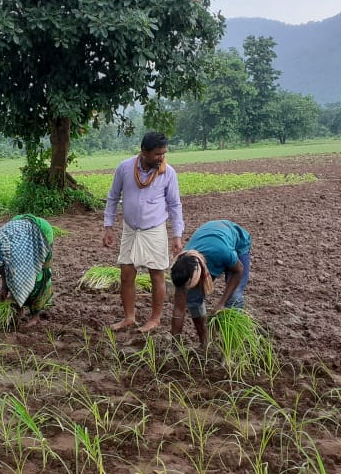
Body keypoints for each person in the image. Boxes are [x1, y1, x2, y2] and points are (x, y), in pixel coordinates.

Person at [102, 130, 184, 333]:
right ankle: (129, 317)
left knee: (157, 275)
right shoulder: (125, 168)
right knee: (126, 274)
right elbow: (113, 197)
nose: (162, 157)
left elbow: (175, 205)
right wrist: (108, 226)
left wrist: (177, 235)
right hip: (130, 229)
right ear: (144, 152)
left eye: (163, 153)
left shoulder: (168, 173)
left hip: (154, 229)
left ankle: (155, 319)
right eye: (157, 154)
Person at [169, 220, 252, 347]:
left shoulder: (221, 252)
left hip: (236, 244)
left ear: (201, 273)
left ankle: (232, 347)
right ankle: (205, 343)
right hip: (212, 240)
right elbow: (179, 310)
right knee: (193, 299)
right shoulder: (182, 269)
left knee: (234, 297)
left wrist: (221, 303)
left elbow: (238, 270)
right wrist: (175, 346)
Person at [0, 214, 54, 328]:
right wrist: (4, 288)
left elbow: (21, 275)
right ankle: (19, 309)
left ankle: (36, 316)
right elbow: (5, 270)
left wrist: (13, 296)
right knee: (14, 277)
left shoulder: (15, 254)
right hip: (20, 228)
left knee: (39, 277)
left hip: (42, 231)